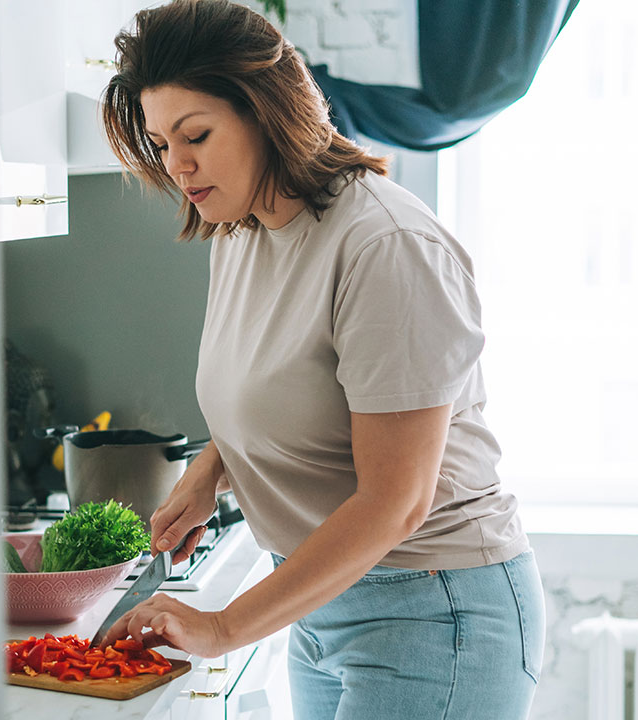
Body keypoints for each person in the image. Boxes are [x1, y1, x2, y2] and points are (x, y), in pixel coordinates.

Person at [99, 1, 545, 717]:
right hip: (319, 599)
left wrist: (222, 627)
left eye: (196, 135)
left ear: (267, 114)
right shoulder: (241, 231)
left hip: (436, 610)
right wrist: (211, 471)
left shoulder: (385, 247)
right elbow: (295, 387)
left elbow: (396, 502)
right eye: (160, 143)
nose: (176, 165)